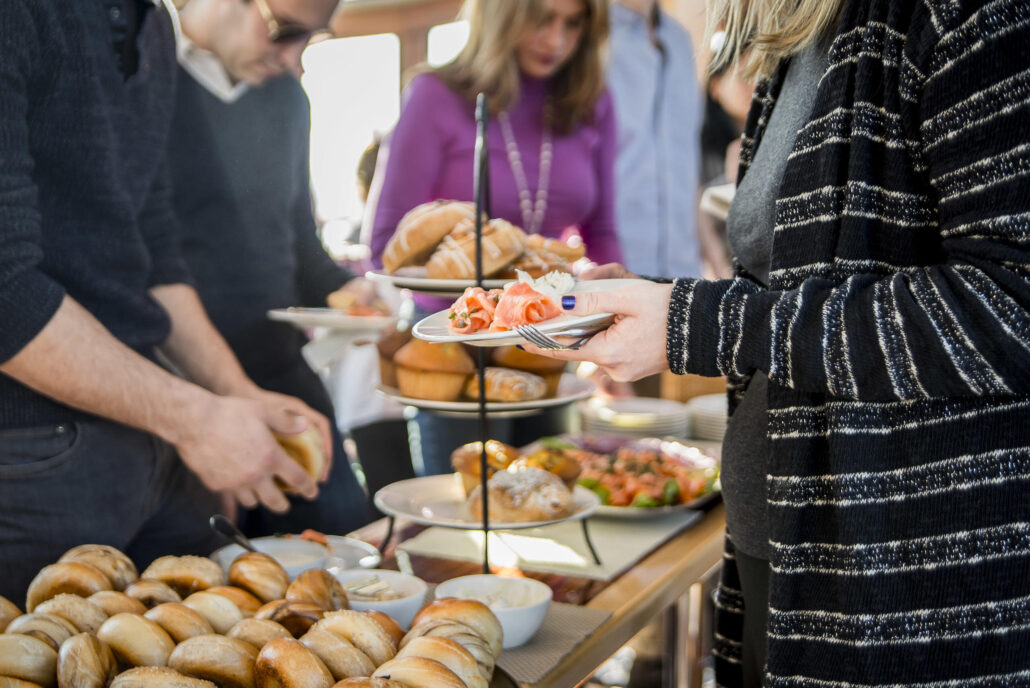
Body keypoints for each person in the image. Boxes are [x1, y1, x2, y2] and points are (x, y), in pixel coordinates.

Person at [524, 0, 1030, 685]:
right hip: (779, 542)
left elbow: (1010, 308)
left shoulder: (958, 14)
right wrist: (649, 299)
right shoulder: (802, 42)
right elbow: (789, 294)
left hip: (900, 593)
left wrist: (698, 324)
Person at [0, 0, 331, 603]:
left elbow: (153, 254)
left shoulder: (150, 26)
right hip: (30, 456)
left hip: (148, 444)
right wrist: (195, 418)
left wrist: (235, 393)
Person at [362, 0, 620, 475]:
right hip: (452, 347)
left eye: (573, 23)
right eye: (540, 18)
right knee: (463, 509)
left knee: (547, 501)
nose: (556, 41)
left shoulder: (591, 103)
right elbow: (384, 244)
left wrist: (613, 327)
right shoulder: (434, 95)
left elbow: (601, 235)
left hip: (548, 338)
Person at [167, 0, 374, 537]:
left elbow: (300, 248)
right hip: (174, 379)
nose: (292, 59)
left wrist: (353, 295)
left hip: (277, 367)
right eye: (285, 32)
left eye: (310, 39)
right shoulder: (148, 80)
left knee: (345, 533)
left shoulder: (287, 99)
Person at [606, 0, 702, 280]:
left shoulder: (680, 41)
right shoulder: (590, 36)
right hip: (611, 270)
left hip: (684, 275)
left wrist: (717, 259)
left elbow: (686, 167)